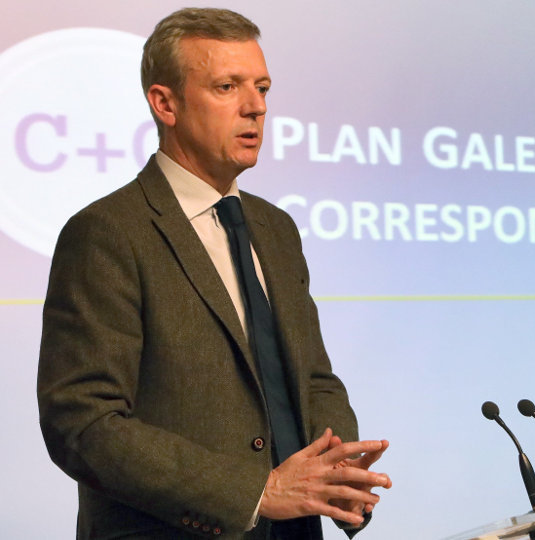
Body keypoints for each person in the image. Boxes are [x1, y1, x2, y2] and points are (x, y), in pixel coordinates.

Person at [37, 8, 390, 539]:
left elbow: (311, 377)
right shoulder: (108, 232)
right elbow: (82, 422)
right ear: (165, 104)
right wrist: (254, 493)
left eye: (262, 88)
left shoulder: (275, 228)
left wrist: (335, 466)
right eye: (228, 87)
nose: (255, 107)